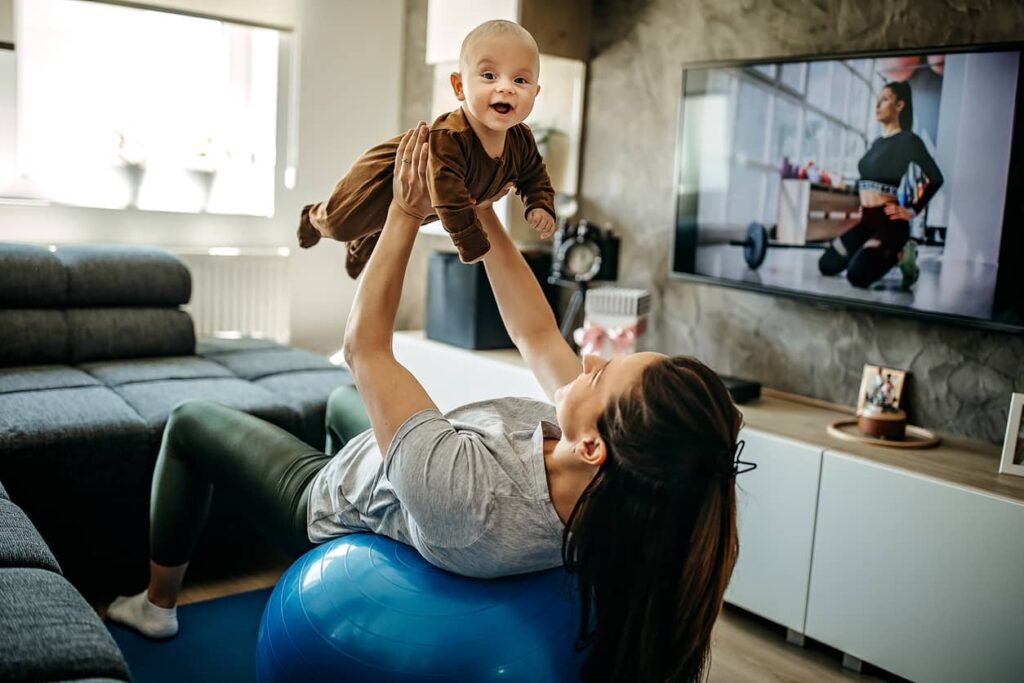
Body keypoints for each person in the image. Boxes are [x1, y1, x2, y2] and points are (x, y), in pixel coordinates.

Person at [107, 125, 750, 683]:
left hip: (336, 497)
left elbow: (365, 348)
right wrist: (482, 212)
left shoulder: (469, 503)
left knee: (191, 423)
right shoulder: (600, 474)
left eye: (604, 372)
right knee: (338, 402)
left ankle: (157, 606)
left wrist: (405, 214)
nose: (589, 359)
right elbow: (534, 332)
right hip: (422, 461)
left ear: (594, 446)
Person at [296, 19, 557, 278]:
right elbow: (448, 193)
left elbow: (534, 175)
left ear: (535, 92)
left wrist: (539, 203)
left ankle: (360, 244)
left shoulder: (521, 141)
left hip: (424, 205)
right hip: (386, 173)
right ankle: (313, 217)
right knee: (341, 223)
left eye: (520, 80)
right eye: (489, 76)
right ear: (459, 87)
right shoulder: (452, 135)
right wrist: (469, 239)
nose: (506, 87)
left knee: (390, 223)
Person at [818, 81, 944, 289]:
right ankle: (872, 254)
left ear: (900, 105)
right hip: (866, 221)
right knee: (827, 265)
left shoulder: (909, 141)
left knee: (856, 275)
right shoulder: (876, 143)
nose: (877, 106)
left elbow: (936, 178)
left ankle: (903, 254)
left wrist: (912, 210)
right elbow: (867, 180)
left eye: (884, 100)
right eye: (877, 101)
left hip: (889, 222)